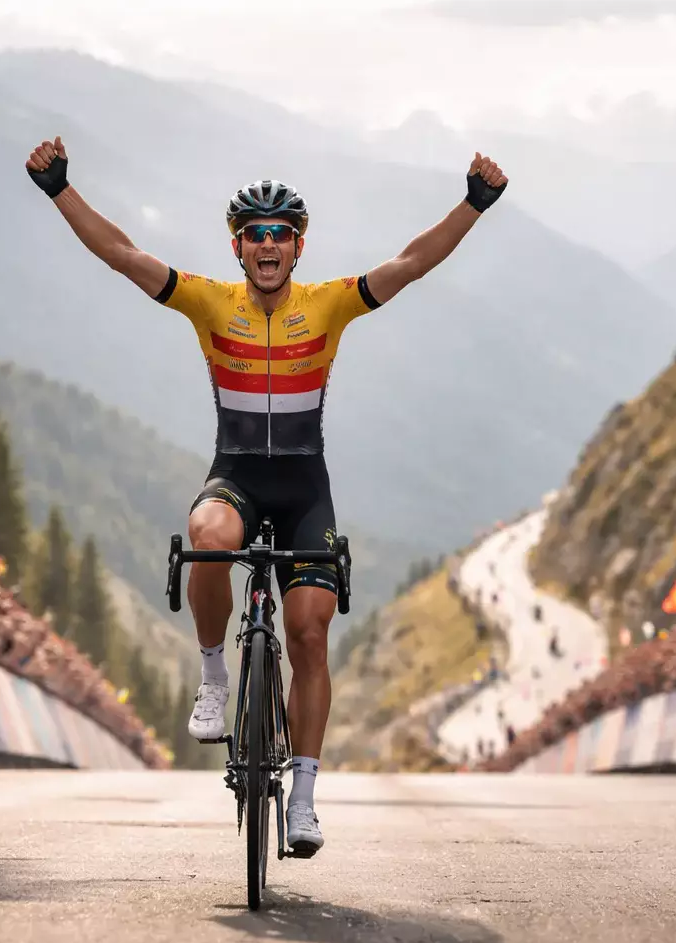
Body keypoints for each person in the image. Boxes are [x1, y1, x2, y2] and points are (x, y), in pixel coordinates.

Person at [26, 134, 508, 856]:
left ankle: (304, 801)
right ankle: (215, 676)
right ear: (237, 247)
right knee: (209, 535)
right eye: (255, 235)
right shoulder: (210, 303)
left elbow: (410, 264)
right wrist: (60, 188)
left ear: (300, 246)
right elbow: (124, 255)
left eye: (281, 234)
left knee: (310, 636)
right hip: (239, 475)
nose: (268, 245)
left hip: (305, 488)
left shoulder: (330, 305)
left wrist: (472, 204)